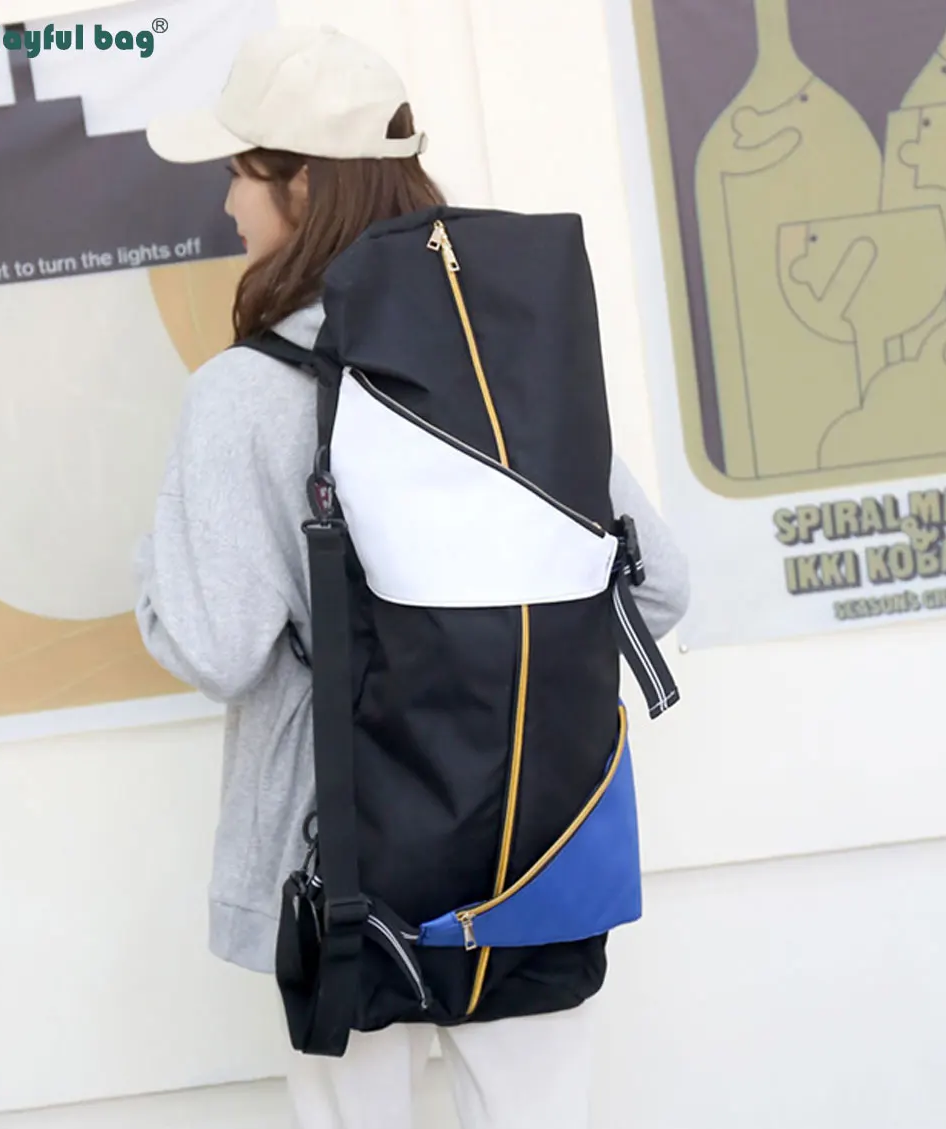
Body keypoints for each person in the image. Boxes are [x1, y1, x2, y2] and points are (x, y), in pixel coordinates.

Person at [136, 23, 690, 1129]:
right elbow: (661, 586)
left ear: (299, 182)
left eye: (239, 173)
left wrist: (164, 577)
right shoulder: (509, 369)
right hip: (534, 843)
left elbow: (218, 643)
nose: (230, 205)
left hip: (337, 864)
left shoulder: (247, 390)